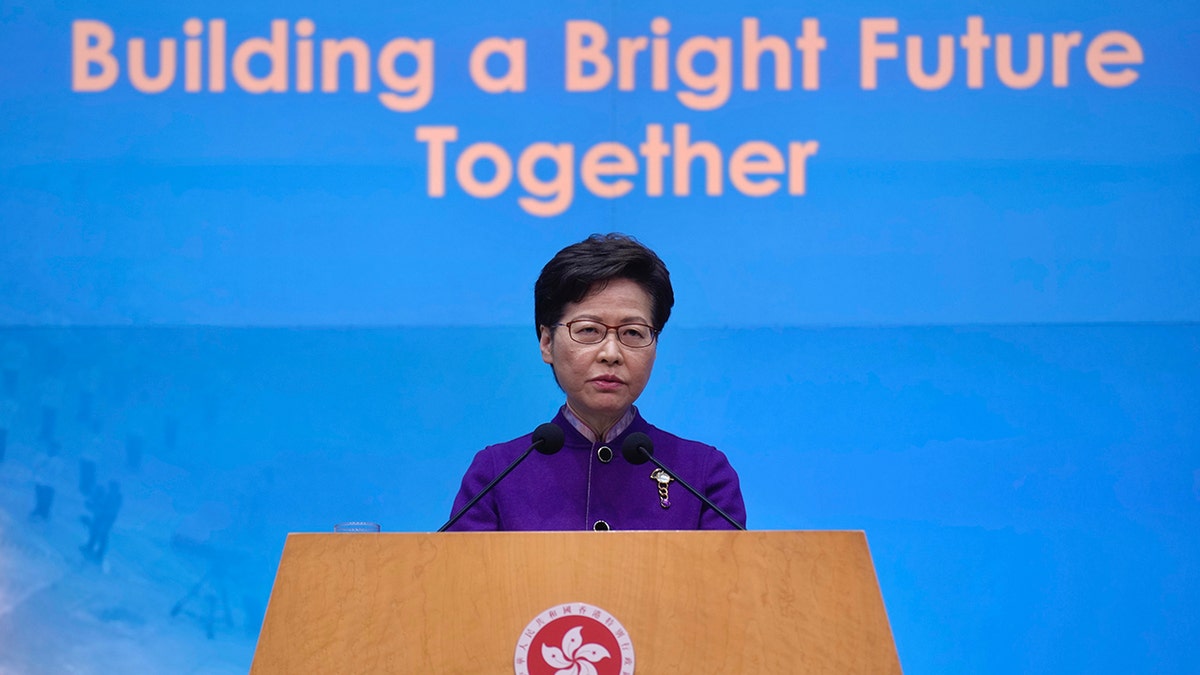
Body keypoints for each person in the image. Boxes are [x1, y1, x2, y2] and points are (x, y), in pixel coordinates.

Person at [447, 233, 745, 531]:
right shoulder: (497, 474)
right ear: (547, 342)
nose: (611, 354)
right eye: (589, 330)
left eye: (633, 332)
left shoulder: (702, 475)